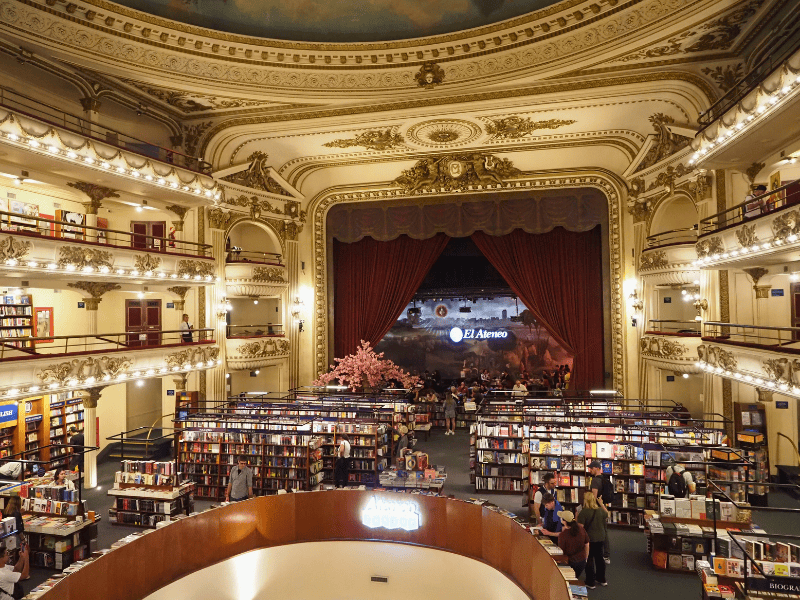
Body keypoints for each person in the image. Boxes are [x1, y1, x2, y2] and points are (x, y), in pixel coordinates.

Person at [577, 491, 608, 589]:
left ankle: (590, 582)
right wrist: (601, 504)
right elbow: (607, 514)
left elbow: (580, 528)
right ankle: (601, 579)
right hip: (601, 537)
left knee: (589, 559)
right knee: (599, 558)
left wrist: (576, 517)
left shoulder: (584, 512)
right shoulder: (600, 510)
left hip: (589, 539)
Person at [588, 460, 613, 564]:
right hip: (603, 507)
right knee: (604, 530)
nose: (590, 470)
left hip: (596, 508)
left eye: (591, 468)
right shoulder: (604, 479)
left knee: (594, 530)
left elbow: (593, 497)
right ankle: (606, 555)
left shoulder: (595, 480)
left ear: (596, 468)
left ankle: (594, 553)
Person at [557, 510, 590, 580]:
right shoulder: (581, 529)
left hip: (570, 562)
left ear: (564, 521)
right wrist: (586, 558)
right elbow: (587, 544)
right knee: (575, 578)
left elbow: (562, 552)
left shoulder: (563, 535)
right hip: (582, 561)